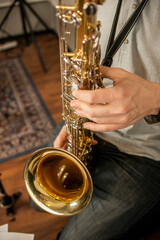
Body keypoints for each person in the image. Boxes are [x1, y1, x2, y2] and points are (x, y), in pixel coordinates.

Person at [50, 0, 160, 239]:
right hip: (89, 125)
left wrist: (154, 98)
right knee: (44, 196)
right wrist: (76, 113)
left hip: (149, 150)